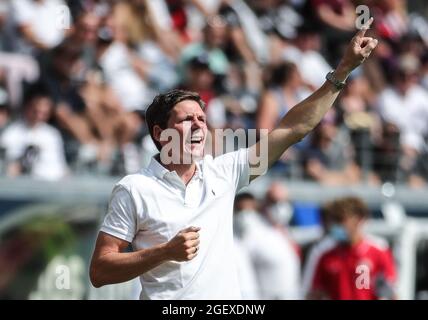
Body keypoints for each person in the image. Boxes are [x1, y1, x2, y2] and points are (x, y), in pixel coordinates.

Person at [89, 18, 379, 299]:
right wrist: (164, 252)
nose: (198, 125)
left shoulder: (223, 172)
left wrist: (342, 70)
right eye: (186, 119)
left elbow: (293, 129)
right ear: (160, 132)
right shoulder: (135, 188)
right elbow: (100, 271)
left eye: (201, 119)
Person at [308, 196, 397, 300]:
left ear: (358, 220)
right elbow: (316, 293)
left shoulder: (378, 251)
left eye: (341, 219)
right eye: (334, 220)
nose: (337, 225)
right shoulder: (325, 254)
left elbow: (391, 292)